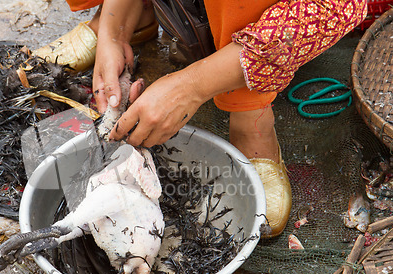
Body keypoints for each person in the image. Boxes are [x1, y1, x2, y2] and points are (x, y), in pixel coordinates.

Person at [34, 0, 367, 238]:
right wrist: (113, 32)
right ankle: (136, 11)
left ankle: (250, 113)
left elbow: (334, 6)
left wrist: (191, 87)